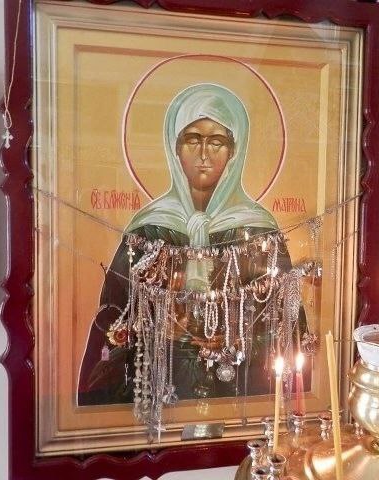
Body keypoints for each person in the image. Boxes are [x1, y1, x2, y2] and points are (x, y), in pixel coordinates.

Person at [78, 84, 300, 406]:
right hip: (162, 386)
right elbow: (117, 313)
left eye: (217, 141)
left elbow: (284, 318)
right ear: (175, 147)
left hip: (238, 385)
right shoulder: (150, 227)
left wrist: (240, 336)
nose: (204, 154)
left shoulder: (258, 228)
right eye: (193, 139)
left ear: (234, 151)